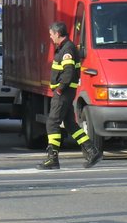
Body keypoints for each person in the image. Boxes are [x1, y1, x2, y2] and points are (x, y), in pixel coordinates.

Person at [40, 21, 102, 170]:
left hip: (63, 93)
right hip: (66, 92)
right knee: (70, 124)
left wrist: (60, 90)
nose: (50, 37)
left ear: (57, 34)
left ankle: (52, 158)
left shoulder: (67, 49)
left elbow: (68, 74)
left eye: (51, 34)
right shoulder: (66, 47)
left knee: (52, 122)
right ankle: (92, 151)